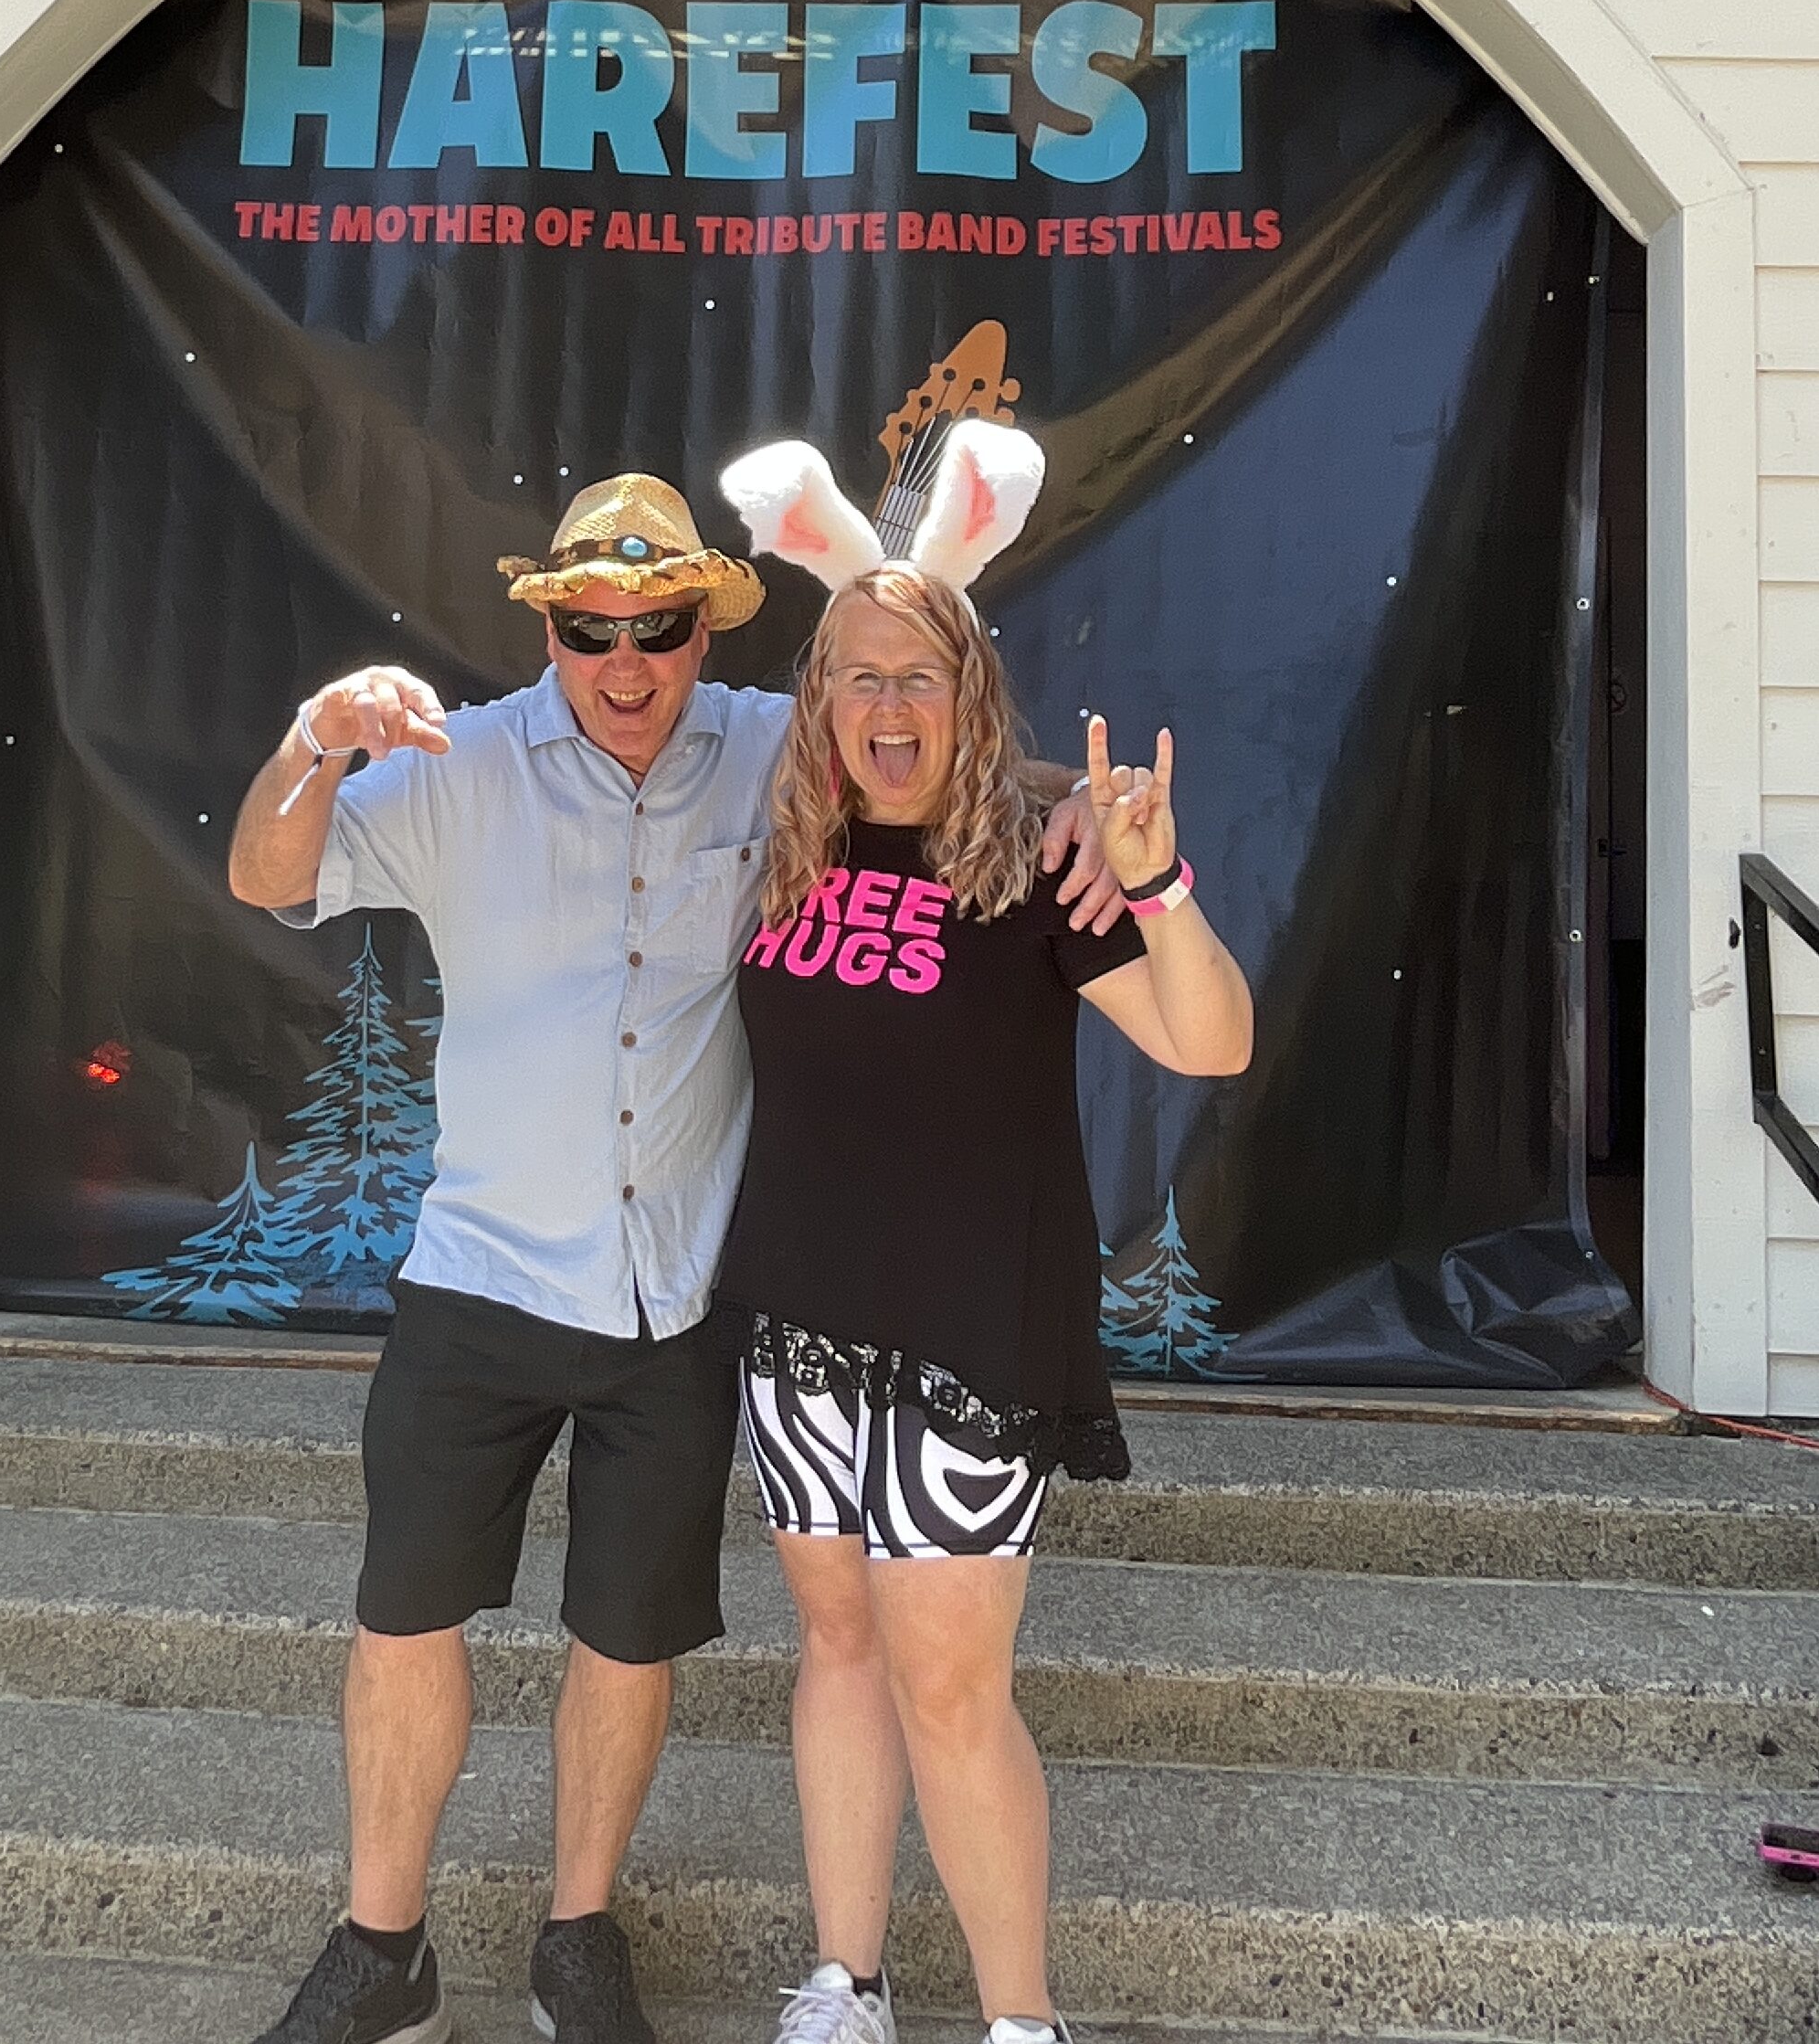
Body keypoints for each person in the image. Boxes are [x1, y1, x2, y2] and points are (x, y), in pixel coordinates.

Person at [225, 471, 1121, 2044]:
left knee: (625, 1637)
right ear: (549, 631)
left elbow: (932, 742)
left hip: (678, 1296)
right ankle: (383, 1948)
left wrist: (1086, 819)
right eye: (591, 628)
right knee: (404, 1620)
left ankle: (578, 1938)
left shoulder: (778, 745)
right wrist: (313, 743)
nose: (625, 660)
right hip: (484, 1276)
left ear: (708, 630)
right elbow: (267, 876)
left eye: (658, 627)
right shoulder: (458, 764)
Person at [713, 440, 1252, 2044]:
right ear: (821, 699)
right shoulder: (781, 845)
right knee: (837, 1650)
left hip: (971, 1338)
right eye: (859, 675)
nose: (889, 705)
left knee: (951, 1689)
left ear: (969, 692)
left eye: (920, 675)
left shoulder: (1035, 860)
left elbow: (1211, 1042)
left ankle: (1022, 2021)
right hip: (800, 1325)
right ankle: (847, 1984)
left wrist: (1157, 881)